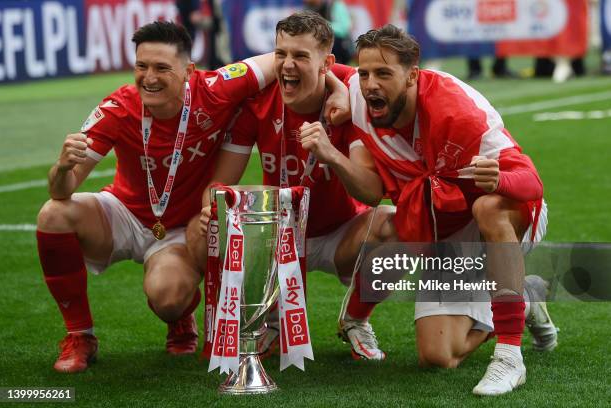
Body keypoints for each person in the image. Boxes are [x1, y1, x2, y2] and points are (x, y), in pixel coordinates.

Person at [35, 20, 356, 374]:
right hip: (124, 214)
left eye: (161, 68)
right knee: (53, 213)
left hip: (178, 232)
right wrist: (63, 168)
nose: (149, 78)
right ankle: (80, 334)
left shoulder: (218, 89)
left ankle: (181, 319)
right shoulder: (118, 106)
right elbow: (60, 190)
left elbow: (296, 60)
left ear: (188, 71)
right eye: (141, 66)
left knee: (169, 298)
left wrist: (338, 85)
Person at [334, 24, 557, 395]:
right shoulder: (358, 92)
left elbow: (532, 183)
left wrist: (499, 179)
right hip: (448, 231)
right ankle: (526, 297)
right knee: (437, 356)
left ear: (413, 76)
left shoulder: (459, 112)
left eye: (384, 74)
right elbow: (322, 69)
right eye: (364, 73)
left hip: (506, 218)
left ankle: (509, 356)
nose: (370, 83)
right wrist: (335, 90)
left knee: (488, 207)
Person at [196, 11, 395, 361]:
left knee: (396, 223)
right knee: (204, 231)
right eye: (281, 54)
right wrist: (209, 207)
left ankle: (355, 319)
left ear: (326, 63)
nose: (288, 65)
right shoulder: (255, 103)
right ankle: (267, 319)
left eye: (301, 56)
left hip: (340, 232)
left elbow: (372, 191)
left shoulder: (353, 95)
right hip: (279, 232)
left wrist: (330, 154)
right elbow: (220, 183)